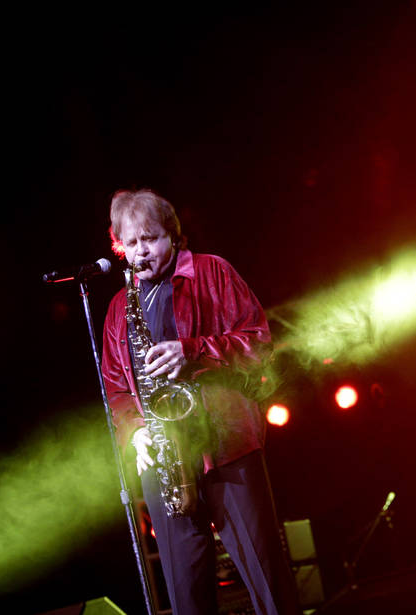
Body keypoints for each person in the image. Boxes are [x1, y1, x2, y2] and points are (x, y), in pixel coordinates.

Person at [100, 189, 300, 615]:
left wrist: (191, 350)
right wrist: (136, 435)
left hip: (226, 444)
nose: (142, 252)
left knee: (267, 580)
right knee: (186, 596)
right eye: (131, 243)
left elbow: (257, 343)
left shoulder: (212, 272)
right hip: (165, 457)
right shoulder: (120, 306)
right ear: (120, 246)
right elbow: (115, 387)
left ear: (172, 235)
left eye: (150, 239)